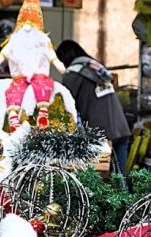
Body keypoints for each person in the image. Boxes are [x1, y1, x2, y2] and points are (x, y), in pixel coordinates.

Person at [56, 40, 132, 173]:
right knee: (120, 181)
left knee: (100, 181)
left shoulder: (74, 73)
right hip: (121, 127)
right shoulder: (96, 68)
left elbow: (65, 103)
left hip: (101, 133)